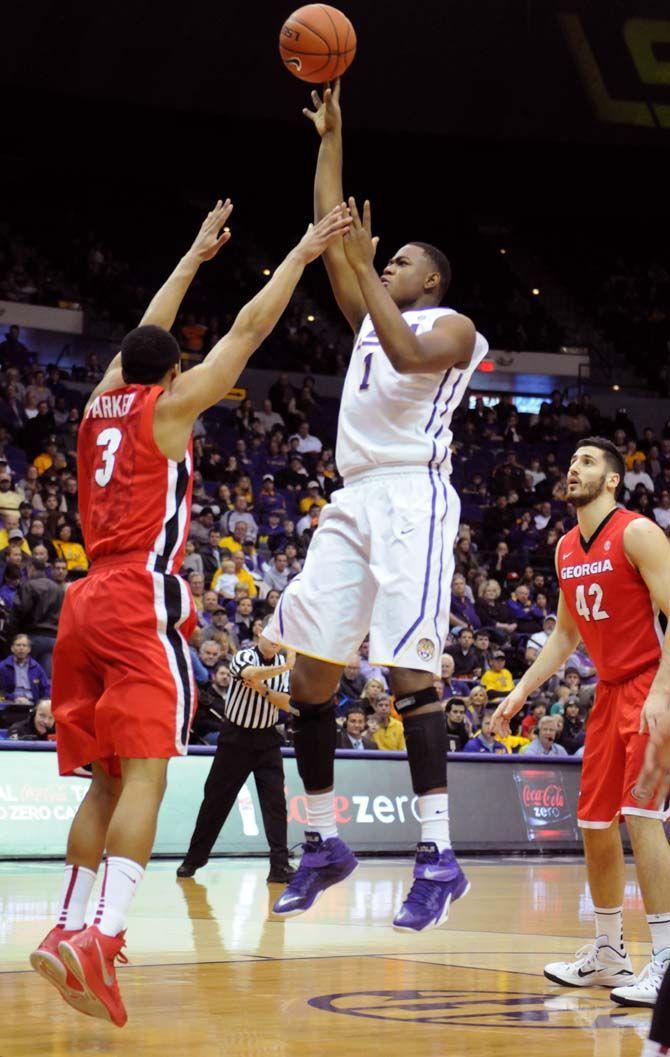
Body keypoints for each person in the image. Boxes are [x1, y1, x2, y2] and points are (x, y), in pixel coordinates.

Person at [28, 198, 351, 1026]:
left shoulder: (99, 402)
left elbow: (145, 330)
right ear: (172, 376)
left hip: (82, 603)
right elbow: (246, 330)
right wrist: (303, 253)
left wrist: (192, 257)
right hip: (138, 593)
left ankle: (68, 921)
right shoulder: (166, 409)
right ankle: (103, 935)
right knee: (147, 773)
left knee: (103, 778)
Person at [267, 79, 488, 931]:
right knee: (310, 675)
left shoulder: (452, 327)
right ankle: (323, 842)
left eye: (400, 262)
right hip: (353, 498)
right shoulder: (368, 309)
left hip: (412, 499)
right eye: (384, 262)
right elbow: (334, 233)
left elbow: (402, 351)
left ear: (429, 277)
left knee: (407, 674)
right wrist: (333, 135)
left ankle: (439, 858)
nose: (383, 265)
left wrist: (364, 266)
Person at [492, 436, 670, 1007]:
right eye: (570, 461)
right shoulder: (567, 546)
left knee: (641, 817)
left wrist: (663, 692)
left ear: (613, 479)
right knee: (594, 824)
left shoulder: (638, 533)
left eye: (588, 462)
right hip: (609, 691)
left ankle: (666, 961)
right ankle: (610, 954)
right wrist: (522, 688)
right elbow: (567, 635)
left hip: (651, 683)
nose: (574, 469)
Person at [176, 632, 296, 883]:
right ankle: (194, 858)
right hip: (235, 740)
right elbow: (250, 674)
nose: (275, 641)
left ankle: (279, 866)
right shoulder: (244, 655)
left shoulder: (282, 666)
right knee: (216, 800)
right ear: (259, 636)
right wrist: (282, 669)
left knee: (275, 804)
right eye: (270, 635)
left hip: (267, 741)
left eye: (279, 637)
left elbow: (285, 703)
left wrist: (263, 689)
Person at [9, 558, 65, 676]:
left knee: (26, 678)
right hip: (53, 638)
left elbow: (20, 610)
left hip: (33, 637)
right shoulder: (59, 589)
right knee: (46, 679)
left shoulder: (29, 586)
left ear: (31, 568)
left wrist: (13, 634)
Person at [0, 633, 50, 703]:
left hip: (32, 703)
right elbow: (1, 693)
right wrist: (13, 698)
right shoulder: (3, 667)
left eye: (24, 645)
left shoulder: (36, 667)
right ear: (12, 648)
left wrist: (42, 702)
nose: (21, 648)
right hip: (10, 703)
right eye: (18, 645)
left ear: (29, 649)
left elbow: (45, 688)